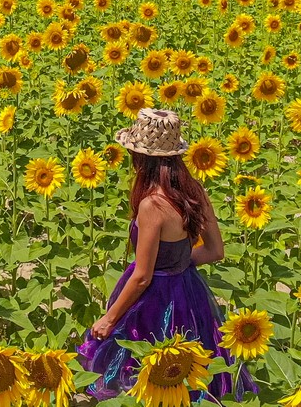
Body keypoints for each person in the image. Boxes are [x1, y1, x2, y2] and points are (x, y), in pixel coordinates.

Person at [76, 108, 257, 402]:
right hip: (189, 291)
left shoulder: (152, 205)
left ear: (141, 158)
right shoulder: (194, 191)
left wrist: (109, 318)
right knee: (191, 372)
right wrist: (179, 263)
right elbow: (215, 251)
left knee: (146, 373)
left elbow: (143, 276)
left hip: (153, 300)